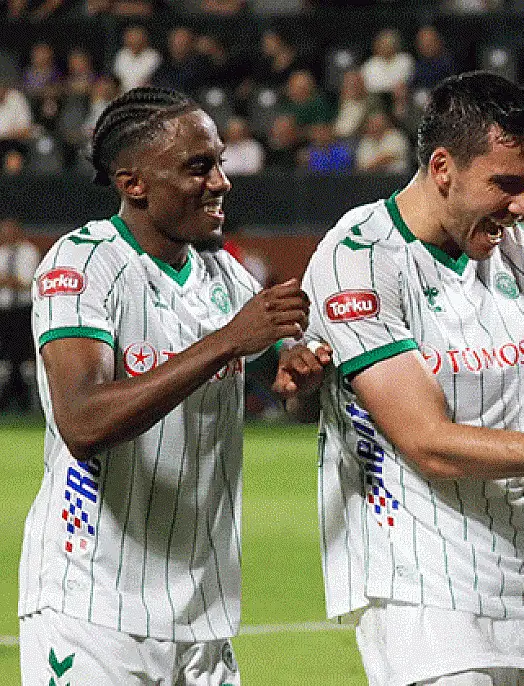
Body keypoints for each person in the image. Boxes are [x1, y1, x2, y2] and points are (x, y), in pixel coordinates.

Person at [276, 71, 524, 686]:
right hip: (421, 586)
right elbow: (428, 444)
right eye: (506, 184)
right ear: (442, 168)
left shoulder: (522, 254)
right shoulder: (360, 257)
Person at [17, 86, 310, 684]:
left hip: (201, 615)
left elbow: (280, 371)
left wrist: (298, 370)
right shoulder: (83, 264)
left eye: (220, 162)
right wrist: (226, 342)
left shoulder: (223, 274)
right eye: (198, 167)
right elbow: (82, 421)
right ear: (134, 184)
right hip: (94, 604)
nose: (221, 181)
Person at [0, 217, 40, 412]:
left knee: (20, 356)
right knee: (6, 357)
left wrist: (7, 280)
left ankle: (19, 400)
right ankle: (11, 398)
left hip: (22, 312)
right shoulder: (2, 253)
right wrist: (11, 281)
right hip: (4, 311)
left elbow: (27, 283)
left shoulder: (28, 252)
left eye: (9, 230)